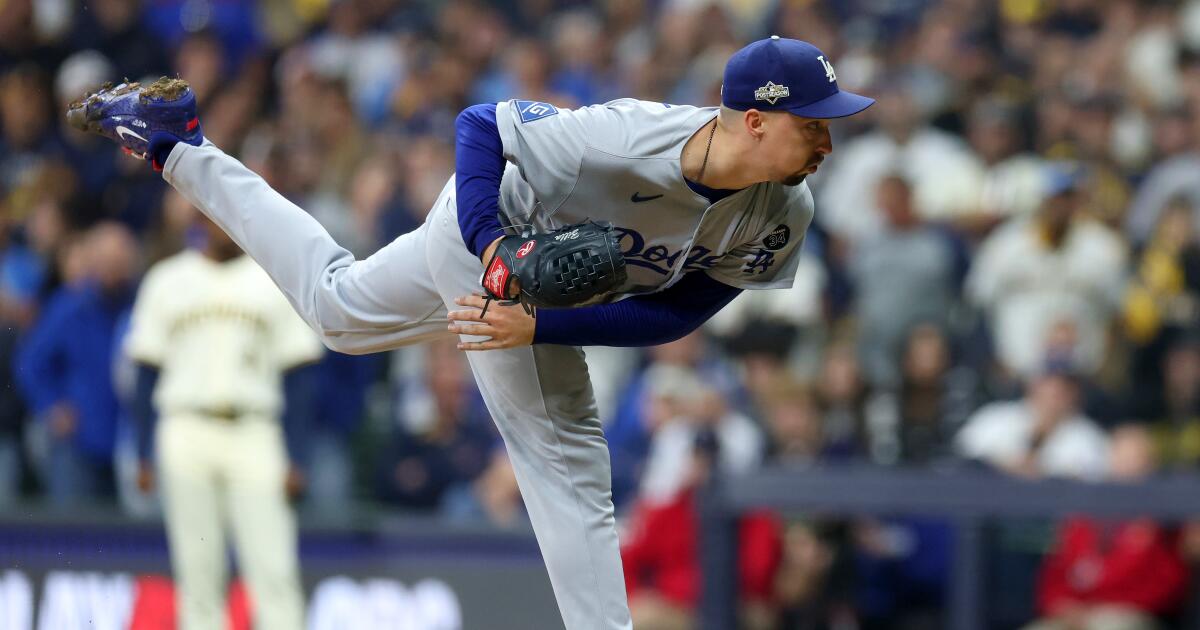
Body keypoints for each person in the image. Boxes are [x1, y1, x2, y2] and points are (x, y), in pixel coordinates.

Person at [70, 36, 874, 630]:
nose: (829, 139)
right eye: (815, 122)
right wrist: (494, 252)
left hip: (527, 282)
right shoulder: (628, 138)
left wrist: (542, 323)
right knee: (566, 467)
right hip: (492, 220)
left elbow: (682, 311)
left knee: (338, 311)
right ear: (759, 120)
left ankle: (177, 144)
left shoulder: (782, 210)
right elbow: (480, 124)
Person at [124, 216, 323, 630]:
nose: (224, 227)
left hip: (254, 429)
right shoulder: (167, 279)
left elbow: (300, 378)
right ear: (200, 221)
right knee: (198, 574)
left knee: (273, 568)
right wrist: (142, 452)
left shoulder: (271, 280)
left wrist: (298, 456)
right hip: (185, 427)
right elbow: (145, 374)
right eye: (214, 218)